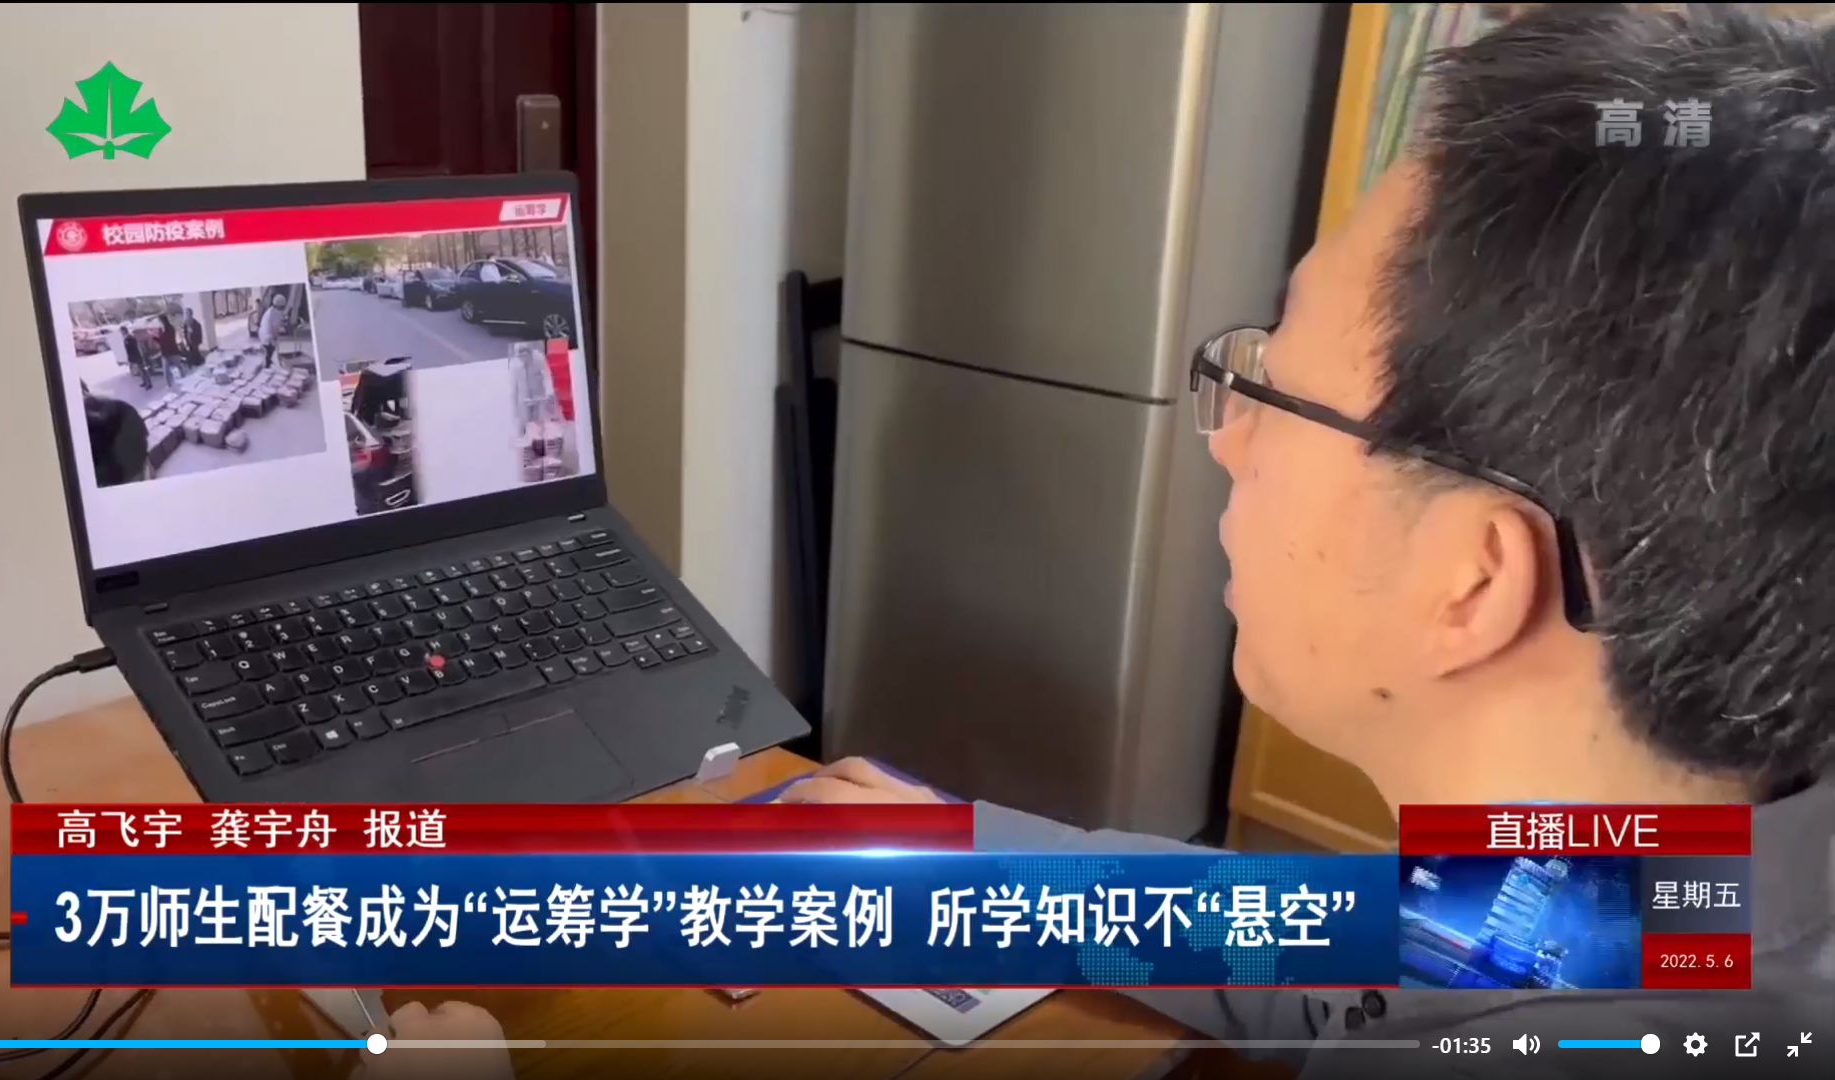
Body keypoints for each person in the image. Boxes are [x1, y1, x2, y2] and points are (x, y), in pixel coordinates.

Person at [357, 8, 1833, 1079]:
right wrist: (951, 861)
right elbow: (1372, 956)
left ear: (1474, 582)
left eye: (1269, 384)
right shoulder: (1686, 893)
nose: (1225, 435)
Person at [258, 290, 290, 369]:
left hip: (265, 335)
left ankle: (268, 365)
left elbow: (279, 322)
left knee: (269, 352)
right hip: (267, 336)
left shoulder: (272, 311)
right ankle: (267, 367)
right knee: (270, 352)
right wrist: (275, 338)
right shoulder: (274, 313)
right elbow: (274, 328)